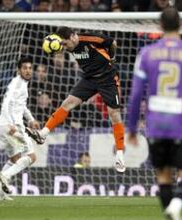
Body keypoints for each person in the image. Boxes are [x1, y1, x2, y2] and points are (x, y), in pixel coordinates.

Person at [126, 7, 182, 220]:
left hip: (156, 126)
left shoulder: (146, 54)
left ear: (160, 27)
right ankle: (176, 207)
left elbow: (135, 95)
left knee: (163, 177)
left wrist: (131, 128)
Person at [26, 27, 126, 173]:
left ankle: (120, 155)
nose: (64, 48)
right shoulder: (67, 46)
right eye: (63, 45)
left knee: (114, 114)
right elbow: (57, 48)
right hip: (89, 78)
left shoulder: (91, 39)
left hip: (107, 78)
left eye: (65, 44)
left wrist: (112, 58)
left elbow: (113, 43)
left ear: (73, 37)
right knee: (67, 103)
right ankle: (43, 134)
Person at [0, 57, 40, 201]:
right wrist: (12, 125)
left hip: (2, 125)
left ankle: (1, 195)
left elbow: (21, 105)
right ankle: (5, 176)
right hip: (12, 125)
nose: (28, 70)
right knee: (31, 157)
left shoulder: (21, 84)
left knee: (14, 159)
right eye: (25, 68)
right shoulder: (17, 84)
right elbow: (7, 104)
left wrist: (31, 119)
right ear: (19, 70)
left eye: (30, 68)